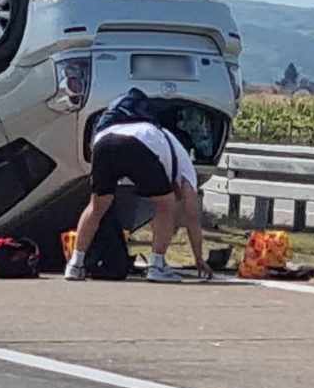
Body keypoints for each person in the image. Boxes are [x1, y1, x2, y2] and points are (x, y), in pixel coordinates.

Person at [64, 88, 213, 283]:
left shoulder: (163, 143)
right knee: (165, 205)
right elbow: (192, 216)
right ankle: (157, 266)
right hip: (140, 142)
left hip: (102, 140)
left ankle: (75, 264)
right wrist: (199, 259)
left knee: (97, 205)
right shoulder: (185, 167)